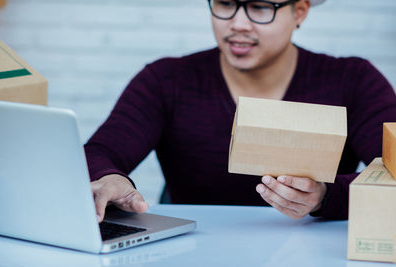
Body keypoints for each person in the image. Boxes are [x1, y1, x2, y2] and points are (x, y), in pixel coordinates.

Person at [85, 0, 396, 223]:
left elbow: (392, 170)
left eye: (260, 7)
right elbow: (99, 151)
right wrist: (109, 177)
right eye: (224, 4)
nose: (238, 24)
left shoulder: (353, 80)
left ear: (299, 11)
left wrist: (324, 196)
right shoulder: (167, 80)